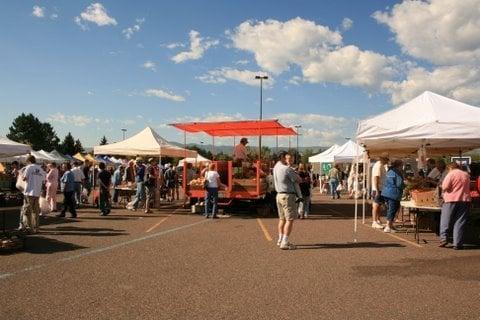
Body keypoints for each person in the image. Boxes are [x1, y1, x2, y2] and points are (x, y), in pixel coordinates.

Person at [439, 162, 471, 250]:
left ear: (450, 168)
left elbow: (445, 187)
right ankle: (457, 243)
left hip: (451, 200)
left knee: (446, 220)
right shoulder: (466, 175)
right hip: (464, 200)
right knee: (460, 222)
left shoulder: (450, 174)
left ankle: (443, 239)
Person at [273, 151, 301, 250]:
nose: (287, 160)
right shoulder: (286, 169)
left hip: (279, 195)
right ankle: (285, 242)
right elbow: (298, 180)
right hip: (287, 195)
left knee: (282, 219)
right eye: (286, 158)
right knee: (290, 219)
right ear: (282, 158)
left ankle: (280, 239)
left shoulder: (276, 167)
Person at [19, 155, 46, 233]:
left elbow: (24, 178)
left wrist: (21, 173)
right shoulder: (40, 169)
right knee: (36, 211)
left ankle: (30, 229)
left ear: (28, 161)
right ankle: (37, 228)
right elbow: (43, 180)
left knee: (28, 211)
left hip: (29, 192)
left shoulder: (29, 167)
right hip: (37, 192)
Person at [381, 160, 405, 233]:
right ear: (399, 165)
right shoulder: (397, 172)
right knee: (392, 210)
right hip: (393, 193)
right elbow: (399, 184)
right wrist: (405, 185)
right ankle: (388, 226)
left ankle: (390, 225)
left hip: (386, 192)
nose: (402, 167)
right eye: (402, 165)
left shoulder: (390, 171)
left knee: (390, 209)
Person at [371, 154, 389, 229]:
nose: (387, 161)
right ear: (383, 159)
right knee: (376, 205)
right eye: (386, 159)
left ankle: (378, 220)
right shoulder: (378, 166)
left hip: (380, 188)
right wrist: (377, 190)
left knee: (378, 205)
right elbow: (376, 178)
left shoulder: (381, 165)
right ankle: (374, 221)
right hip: (378, 189)